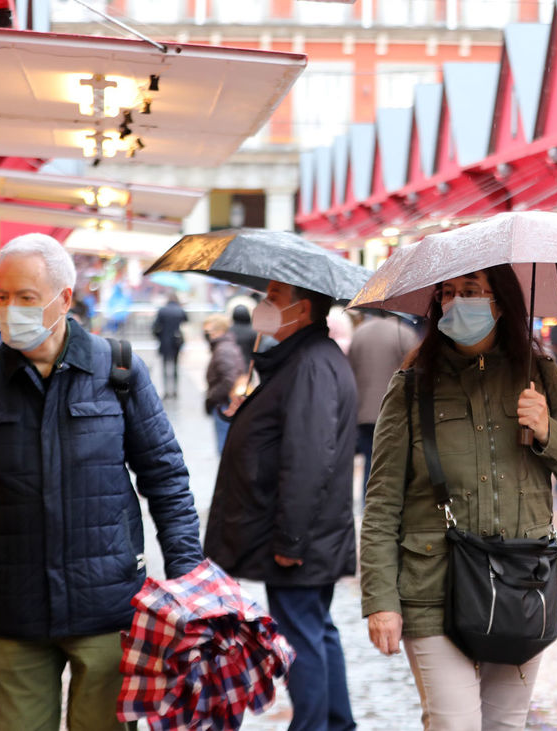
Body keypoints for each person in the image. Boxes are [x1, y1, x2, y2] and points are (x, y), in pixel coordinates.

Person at [0, 233, 203, 730]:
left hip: (107, 607)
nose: (9, 311)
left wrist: (187, 574)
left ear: (63, 299)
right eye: (3, 297)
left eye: (26, 298)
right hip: (14, 609)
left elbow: (165, 477)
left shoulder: (118, 369)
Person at [359, 265, 557, 730]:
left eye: (470, 292)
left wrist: (549, 431)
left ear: (501, 303)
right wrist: (380, 600)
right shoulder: (412, 384)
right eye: (447, 293)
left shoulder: (540, 375)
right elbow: (382, 503)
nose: (455, 303)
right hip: (434, 587)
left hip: (521, 585)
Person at [204, 280, 359, 731]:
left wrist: (290, 538)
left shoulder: (311, 364)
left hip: (300, 536)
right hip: (310, 532)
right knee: (315, 629)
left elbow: (308, 457)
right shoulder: (304, 359)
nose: (264, 305)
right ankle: (335, 722)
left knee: (300, 637)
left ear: (303, 308)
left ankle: (315, 725)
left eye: (274, 297)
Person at [346, 313, 419, 502]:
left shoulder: (359, 333)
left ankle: (366, 506)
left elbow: (351, 371)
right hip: (393, 414)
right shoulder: (404, 334)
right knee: (391, 467)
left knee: (371, 463)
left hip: (364, 412)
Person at [201, 313, 246, 455]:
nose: (206, 335)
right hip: (224, 401)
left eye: (208, 331)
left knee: (225, 448)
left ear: (219, 330)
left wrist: (213, 396)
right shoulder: (225, 347)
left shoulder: (223, 349)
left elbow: (229, 380)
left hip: (224, 403)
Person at [153, 293, 187, 399]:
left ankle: (166, 391)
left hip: (164, 341)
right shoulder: (180, 310)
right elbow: (186, 321)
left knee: (164, 367)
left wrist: (159, 337)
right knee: (176, 367)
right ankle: (175, 391)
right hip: (176, 341)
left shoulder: (162, 310)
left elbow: (155, 327)